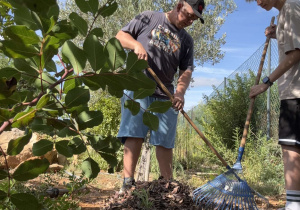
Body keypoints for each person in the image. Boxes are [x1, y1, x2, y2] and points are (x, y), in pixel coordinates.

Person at [115, 0, 205, 192]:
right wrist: (136, 45)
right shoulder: (150, 17)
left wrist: (179, 92)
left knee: (165, 141)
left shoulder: (187, 41)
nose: (190, 21)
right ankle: (127, 183)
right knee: (134, 133)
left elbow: (186, 70)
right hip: (138, 87)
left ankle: (166, 183)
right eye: (189, 15)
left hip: (165, 94)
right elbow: (120, 36)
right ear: (180, 5)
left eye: (194, 19)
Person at [248, 0, 300, 209]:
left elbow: (296, 53)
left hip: (295, 91)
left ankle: (293, 205)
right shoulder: (287, 12)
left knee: (291, 147)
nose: (258, 2)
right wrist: (278, 33)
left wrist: (266, 82)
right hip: (294, 91)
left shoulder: (291, 8)